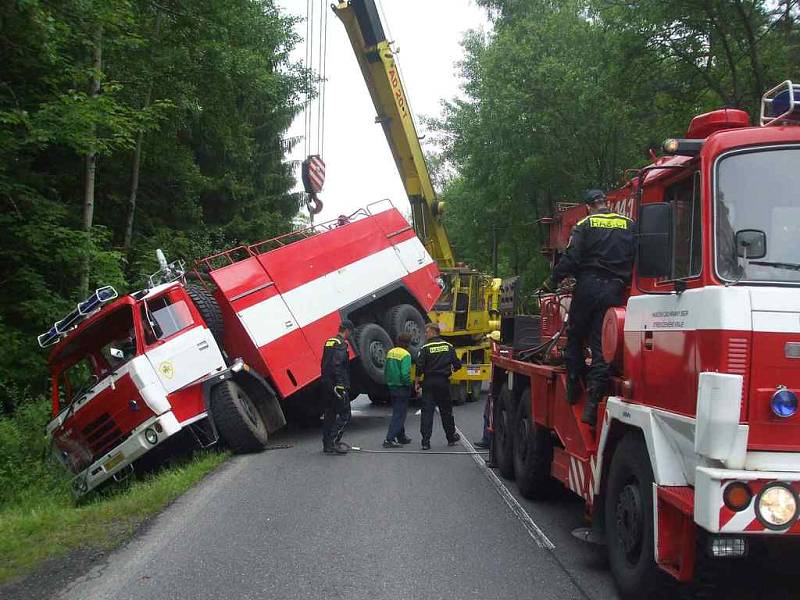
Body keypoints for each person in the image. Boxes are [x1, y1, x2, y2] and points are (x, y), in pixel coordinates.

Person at [544, 189, 636, 428]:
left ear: (588, 206)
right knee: (601, 345)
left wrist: (552, 280)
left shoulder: (585, 224)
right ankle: (594, 402)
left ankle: (574, 386)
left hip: (589, 287)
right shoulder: (628, 224)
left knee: (575, 336)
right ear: (606, 204)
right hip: (615, 290)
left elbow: (572, 259)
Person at [416, 322, 462, 450]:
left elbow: (419, 367)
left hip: (429, 382)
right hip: (443, 382)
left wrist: (417, 383)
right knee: (446, 411)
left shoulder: (425, 348)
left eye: (426, 331)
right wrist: (451, 370)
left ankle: (425, 442)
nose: (425, 334)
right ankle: (451, 438)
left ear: (433, 332)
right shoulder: (448, 346)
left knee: (427, 412)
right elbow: (457, 364)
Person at [321, 319, 354, 454]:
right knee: (345, 414)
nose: (350, 336)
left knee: (330, 414)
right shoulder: (341, 344)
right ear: (346, 330)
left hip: (326, 383)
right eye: (350, 333)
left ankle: (327, 444)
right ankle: (334, 441)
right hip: (337, 385)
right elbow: (337, 365)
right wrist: (340, 384)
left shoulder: (329, 342)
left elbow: (324, 363)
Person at [382, 332, 414, 448]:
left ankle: (401, 436)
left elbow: (385, 369)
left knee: (398, 411)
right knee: (400, 414)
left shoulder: (391, 352)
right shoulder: (406, 355)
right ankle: (389, 439)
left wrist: (388, 381)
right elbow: (405, 373)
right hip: (402, 387)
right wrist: (408, 384)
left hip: (392, 386)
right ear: (408, 344)